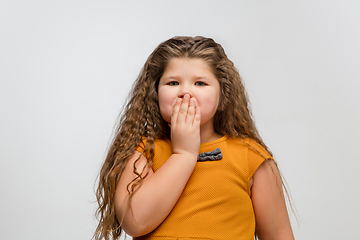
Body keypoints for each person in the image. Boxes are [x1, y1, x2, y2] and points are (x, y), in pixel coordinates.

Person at [94, 36, 295, 240]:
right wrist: (184, 155)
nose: (185, 92)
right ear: (154, 95)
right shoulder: (142, 151)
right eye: (173, 83)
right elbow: (135, 222)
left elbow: (278, 235)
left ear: (223, 97)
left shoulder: (251, 156)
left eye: (200, 83)